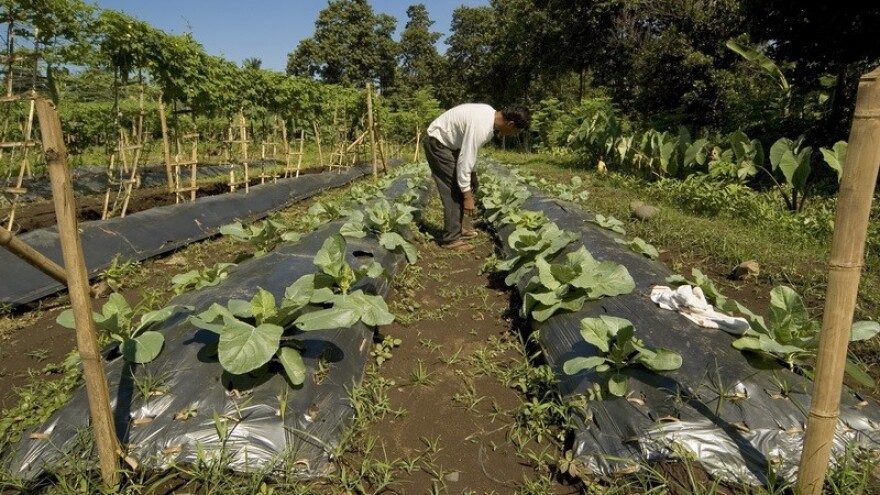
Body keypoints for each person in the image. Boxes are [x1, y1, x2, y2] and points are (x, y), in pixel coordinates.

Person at [423, 103, 530, 250]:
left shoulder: (488, 113)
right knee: (453, 190)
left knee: (458, 186)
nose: (512, 135)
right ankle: (451, 240)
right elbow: (465, 160)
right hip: (438, 144)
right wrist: (467, 197)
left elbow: (470, 153)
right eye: (515, 132)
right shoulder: (482, 127)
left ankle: (456, 228)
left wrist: (473, 175)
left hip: (449, 144)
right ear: (511, 124)